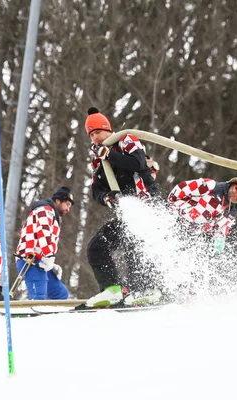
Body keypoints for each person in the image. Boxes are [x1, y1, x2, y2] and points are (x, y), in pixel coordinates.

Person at [84, 107, 160, 307]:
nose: (95, 138)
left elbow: (137, 163)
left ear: (108, 130)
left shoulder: (126, 140)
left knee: (134, 245)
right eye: (91, 135)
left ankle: (147, 288)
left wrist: (110, 155)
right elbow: (96, 190)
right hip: (127, 213)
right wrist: (108, 198)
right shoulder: (97, 160)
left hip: (146, 205)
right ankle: (112, 289)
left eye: (98, 132)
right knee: (96, 247)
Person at [14, 187, 74, 300]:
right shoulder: (45, 210)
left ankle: (57, 315)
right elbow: (43, 234)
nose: (68, 209)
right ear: (57, 201)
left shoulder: (51, 214)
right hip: (30, 259)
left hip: (40, 260)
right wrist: (48, 257)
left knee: (61, 294)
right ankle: (32, 315)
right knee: (38, 297)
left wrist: (50, 263)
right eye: (67, 204)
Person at [167, 177, 237, 254]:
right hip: (175, 219)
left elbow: (220, 231)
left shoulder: (231, 213)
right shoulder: (212, 186)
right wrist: (171, 207)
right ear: (232, 184)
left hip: (190, 235)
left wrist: (219, 241)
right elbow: (182, 188)